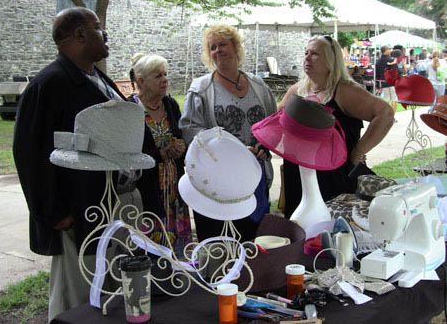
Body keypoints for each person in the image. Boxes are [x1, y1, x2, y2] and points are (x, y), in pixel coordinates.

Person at [12, 7, 127, 321]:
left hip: (107, 206)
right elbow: (29, 153)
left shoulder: (95, 77)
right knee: (76, 299)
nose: (106, 35)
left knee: (107, 290)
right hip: (76, 215)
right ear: (80, 34)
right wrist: (53, 211)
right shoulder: (49, 84)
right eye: (99, 28)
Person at [278, 35, 394, 219]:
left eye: (315, 54)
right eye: (306, 53)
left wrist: (358, 151)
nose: (307, 58)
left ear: (331, 60)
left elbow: (385, 114)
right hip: (300, 173)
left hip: (333, 174)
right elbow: (277, 121)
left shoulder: (344, 91)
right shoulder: (298, 90)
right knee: (301, 228)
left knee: (333, 229)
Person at [179, 24, 277, 242]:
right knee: (220, 241)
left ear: (235, 47)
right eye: (212, 47)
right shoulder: (200, 89)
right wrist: (233, 151)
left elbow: (272, 124)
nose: (217, 51)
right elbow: (190, 131)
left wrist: (264, 147)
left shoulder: (259, 86)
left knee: (253, 240)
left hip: (255, 178)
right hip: (218, 182)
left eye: (222, 44)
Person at [128, 53, 191, 255]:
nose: (164, 79)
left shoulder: (170, 105)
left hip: (174, 187)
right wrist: (160, 154)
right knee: (151, 246)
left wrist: (180, 146)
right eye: (157, 76)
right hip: (149, 188)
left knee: (177, 246)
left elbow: (179, 135)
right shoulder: (130, 109)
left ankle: (178, 277)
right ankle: (154, 280)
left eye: (165, 74)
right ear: (141, 81)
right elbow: (129, 153)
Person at [375, 45, 398, 113]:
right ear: (386, 50)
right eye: (389, 49)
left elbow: (377, 74)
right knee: (394, 99)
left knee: (386, 99)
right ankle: (392, 117)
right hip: (391, 82)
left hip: (383, 82)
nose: (390, 50)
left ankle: (386, 116)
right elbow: (396, 71)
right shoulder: (391, 60)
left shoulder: (378, 61)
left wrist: (377, 85)